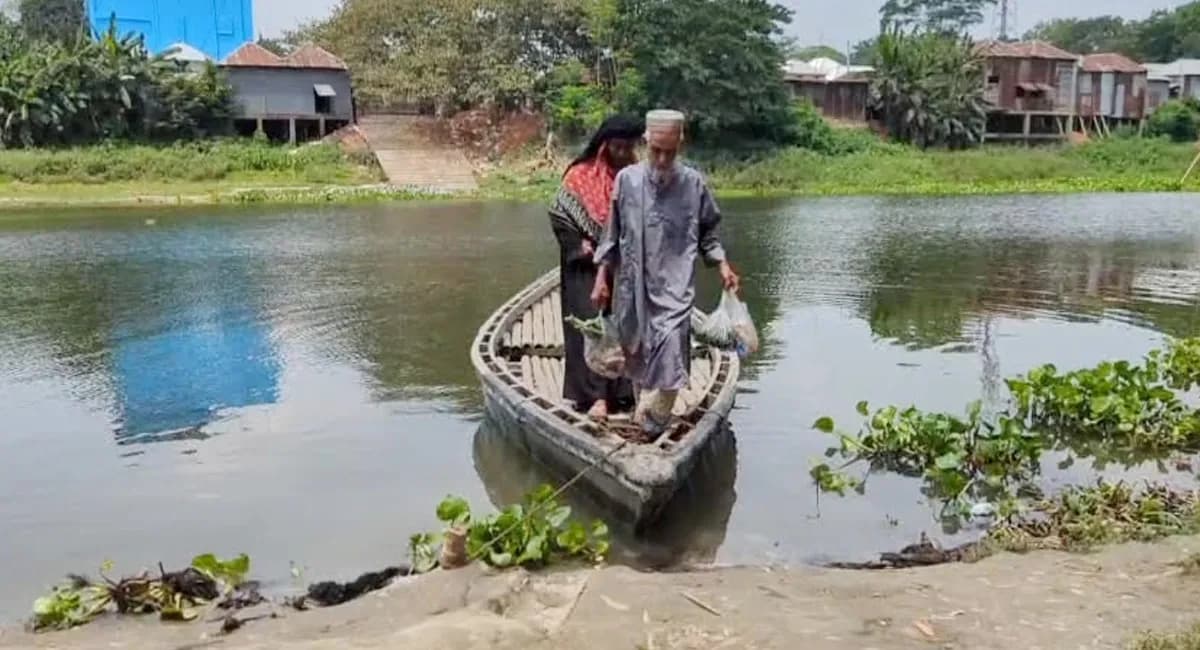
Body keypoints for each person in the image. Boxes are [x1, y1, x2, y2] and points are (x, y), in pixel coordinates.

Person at [591, 109, 739, 435]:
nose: (661, 160)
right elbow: (611, 236)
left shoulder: (693, 184)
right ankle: (644, 417)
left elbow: (708, 234)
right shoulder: (626, 181)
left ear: (680, 144)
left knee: (671, 349)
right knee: (637, 357)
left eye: (669, 153)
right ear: (645, 142)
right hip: (633, 286)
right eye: (655, 151)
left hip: (674, 288)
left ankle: (655, 417)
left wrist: (723, 266)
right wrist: (602, 278)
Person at [548, 115, 643, 419]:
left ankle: (625, 394)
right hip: (585, 268)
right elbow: (560, 213)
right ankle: (594, 398)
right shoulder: (579, 175)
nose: (623, 153)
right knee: (590, 327)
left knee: (625, 327)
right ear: (604, 147)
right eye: (617, 147)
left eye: (628, 147)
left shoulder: (634, 176)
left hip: (623, 266)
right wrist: (581, 246)